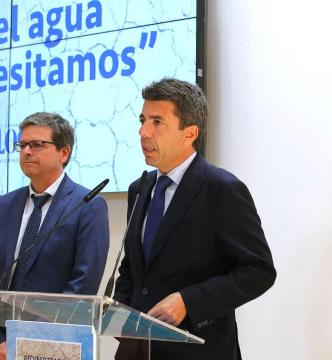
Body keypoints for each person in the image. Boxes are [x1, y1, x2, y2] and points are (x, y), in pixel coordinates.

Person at [113, 78, 276, 360]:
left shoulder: (221, 189)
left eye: (157, 122)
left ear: (189, 133)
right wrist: (121, 312)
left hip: (199, 351)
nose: (143, 132)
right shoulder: (139, 189)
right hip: (137, 350)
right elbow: (133, 268)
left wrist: (188, 301)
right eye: (142, 120)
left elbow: (259, 271)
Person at [0, 112, 109, 360]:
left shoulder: (88, 205)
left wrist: (34, 344)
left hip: (53, 349)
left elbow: (82, 286)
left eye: (37, 145)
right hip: (1, 351)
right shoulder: (4, 205)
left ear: (64, 152)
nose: (26, 151)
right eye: (22, 145)